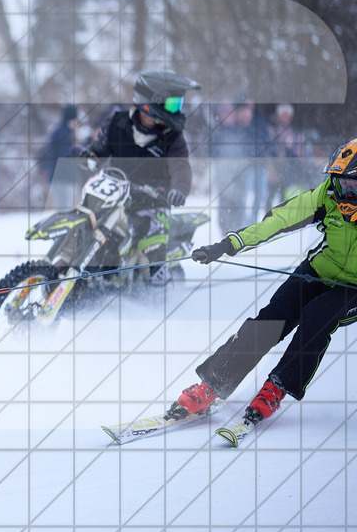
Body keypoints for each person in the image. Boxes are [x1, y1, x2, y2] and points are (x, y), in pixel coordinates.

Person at [166, 137, 357, 431]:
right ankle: (212, 385)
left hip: (352, 290)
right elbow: (279, 219)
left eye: (352, 185)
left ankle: (276, 388)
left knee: (318, 316)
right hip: (318, 271)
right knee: (272, 318)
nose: (344, 192)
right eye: (341, 183)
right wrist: (228, 244)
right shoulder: (327, 196)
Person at [80, 71, 200, 286]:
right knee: (87, 226)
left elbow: (181, 166)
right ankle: (79, 277)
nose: (177, 110)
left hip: (153, 201)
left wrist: (179, 189)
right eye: (172, 104)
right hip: (115, 195)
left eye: (178, 105)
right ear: (151, 101)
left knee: (151, 252)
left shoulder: (173, 136)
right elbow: (100, 148)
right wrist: (89, 155)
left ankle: (160, 293)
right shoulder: (117, 122)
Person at [38, 104, 80, 208]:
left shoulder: (59, 132)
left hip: (57, 177)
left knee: (63, 209)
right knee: (66, 209)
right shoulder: (65, 135)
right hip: (63, 179)